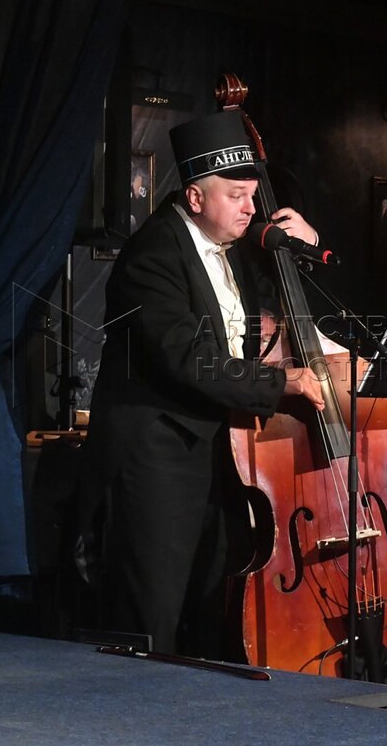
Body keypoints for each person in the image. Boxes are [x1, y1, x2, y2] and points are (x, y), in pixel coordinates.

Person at [86, 110, 325, 658]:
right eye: (237, 196)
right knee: (154, 608)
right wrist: (279, 382)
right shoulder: (152, 256)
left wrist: (307, 243)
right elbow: (189, 361)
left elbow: (283, 291)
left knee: (213, 597)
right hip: (157, 453)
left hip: (218, 448)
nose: (250, 208)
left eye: (253, 196)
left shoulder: (233, 243)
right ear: (195, 197)